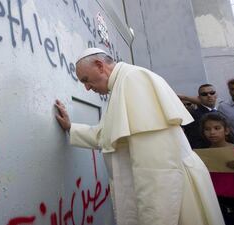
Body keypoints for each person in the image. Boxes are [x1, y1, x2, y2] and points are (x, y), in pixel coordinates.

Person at [54, 48, 224, 225]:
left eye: (86, 80)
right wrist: (71, 127)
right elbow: (106, 136)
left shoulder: (134, 81)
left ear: (99, 66)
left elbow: (157, 172)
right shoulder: (122, 84)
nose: (87, 88)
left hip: (171, 200)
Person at [200, 113, 234, 225]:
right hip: (216, 204)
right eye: (207, 129)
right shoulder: (202, 155)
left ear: (226, 131)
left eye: (217, 128)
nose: (212, 132)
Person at [183, 84, 218, 148]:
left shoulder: (222, 111)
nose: (209, 96)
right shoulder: (194, 115)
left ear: (216, 95)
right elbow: (194, 139)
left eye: (212, 93)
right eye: (204, 94)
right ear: (199, 97)